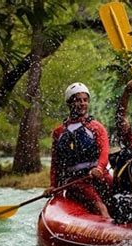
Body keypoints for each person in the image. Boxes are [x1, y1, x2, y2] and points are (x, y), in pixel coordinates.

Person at [46, 82, 112, 218]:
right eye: (78, 100)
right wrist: (53, 185)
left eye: (85, 100)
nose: (82, 103)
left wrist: (99, 168)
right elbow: (56, 163)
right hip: (76, 180)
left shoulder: (96, 127)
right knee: (100, 207)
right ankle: (110, 230)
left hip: (98, 174)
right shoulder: (59, 132)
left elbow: (104, 152)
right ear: (69, 103)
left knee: (119, 192)